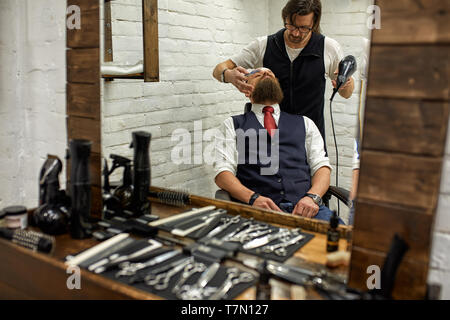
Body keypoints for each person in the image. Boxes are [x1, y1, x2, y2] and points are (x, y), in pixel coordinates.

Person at [213, 68, 344, 224]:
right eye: (257, 75)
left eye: (271, 75)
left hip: (307, 209)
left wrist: (312, 197)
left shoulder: (305, 123)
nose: (266, 74)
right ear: (246, 90)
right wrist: (253, 198)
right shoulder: (232, 125)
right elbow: (222, 173)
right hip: (256, 211)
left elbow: (321, 167)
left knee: (341, 242)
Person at [212, 0, 354, 141]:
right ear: (284, 18)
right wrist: (228, 75)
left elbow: (346, 94)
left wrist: (345, 85)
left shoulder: (328, 48)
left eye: (304, 28)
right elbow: (218, 70)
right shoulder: (264, 45)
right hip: (269, 136)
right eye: (291, 26)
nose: (297, 33)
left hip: (310, 138)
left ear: (314, 24)